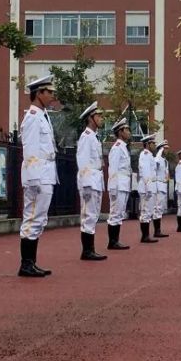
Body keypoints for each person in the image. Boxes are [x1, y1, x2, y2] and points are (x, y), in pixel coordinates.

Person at [18, 75, 58, 278]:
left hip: (46, 174)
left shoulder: (43, 115)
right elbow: (31, 149)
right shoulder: (33, 117)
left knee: (39, 219)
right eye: (49, 92)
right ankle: (26, 264)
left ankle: (31, 262)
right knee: (32, 218)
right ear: (39, 93)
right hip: (38, 176)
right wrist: (34, 180)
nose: (52, 96)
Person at [75, 101, 107, 262]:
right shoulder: (86, 137)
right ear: (90, 118)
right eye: (99, 116)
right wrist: (86, 183)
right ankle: (87, 251)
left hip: (96, 180)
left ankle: (90, 249)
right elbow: (83, 161)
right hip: (89, 181)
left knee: (93, 215)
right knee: (88, 215)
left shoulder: (94, 137)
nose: (102, 118)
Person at [106, 117, 132, 250]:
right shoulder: (117, 148)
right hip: (118, 184)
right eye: (126, 129)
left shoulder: (123, 147)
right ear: (120, 132)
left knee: (120, 212)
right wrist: (113, 187)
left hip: (124, 184)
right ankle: (112, 241)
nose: (129, 132)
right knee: (115, 213)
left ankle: (115, 240)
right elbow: (113, 169)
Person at [137, 134, 158, 244]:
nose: (154, 145)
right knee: (145, 211)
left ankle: (146, 235)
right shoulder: (145, 154)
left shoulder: (149, 155)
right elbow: (146, 173)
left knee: (148, 211)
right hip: (146, 187)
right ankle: (145, 236)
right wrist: (149, 188)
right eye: (153, 143)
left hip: (149, 187)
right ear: (147, 144)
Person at [153, 139, 170, 238]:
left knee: (160, 209)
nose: (167, 150)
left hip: (163, 185)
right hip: (158, 185)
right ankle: (157, 231)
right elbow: (156, 162)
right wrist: (159, 153)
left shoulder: (165, 161)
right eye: (165, 148)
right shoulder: (158, 159)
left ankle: (158, 230)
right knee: (157, 208)